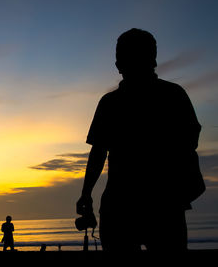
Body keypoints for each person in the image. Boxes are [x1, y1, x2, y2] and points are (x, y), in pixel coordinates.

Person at [76, 28, 205, 252]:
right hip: (164, 203)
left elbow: (98, 152)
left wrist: (86, 193)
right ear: (153, 59)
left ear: (118, 63)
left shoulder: (111, 103)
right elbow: (189, 143)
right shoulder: (174, 95)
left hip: (124, 204)